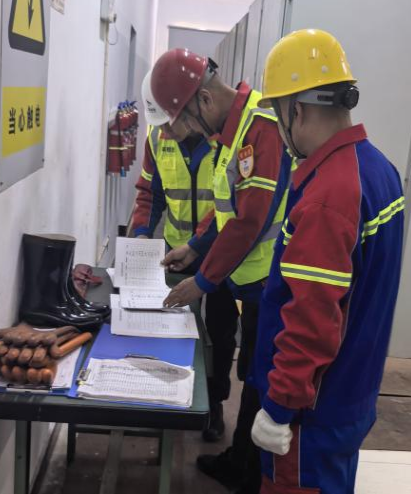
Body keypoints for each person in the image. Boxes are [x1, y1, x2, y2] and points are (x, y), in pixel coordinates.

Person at [248, 29, 405, 494]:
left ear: (295, 110)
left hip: (309, 417)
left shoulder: (328, 195)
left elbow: (312, 321)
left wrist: (278, 409)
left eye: (278, 114)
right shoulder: (379, 170)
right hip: (350, 396)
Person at [151, 49, 292, 494]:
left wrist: (202, 281)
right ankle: (240, 460)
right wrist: (194, 247)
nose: (189, 132)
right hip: (249, 281)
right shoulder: (235, 131)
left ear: (205, 100)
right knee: (252, 372)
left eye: (187, 122)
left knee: (260, 375)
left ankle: (249, 475)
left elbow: (249, 221)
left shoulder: (260, 128)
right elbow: (227, 205)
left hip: (269, 283)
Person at [131, 71, 239, 442]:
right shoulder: (156, 139)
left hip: (221, 252)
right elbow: (149, 193)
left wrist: (200, 244)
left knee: (221, 333)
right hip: (178, 255)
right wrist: (141, 236)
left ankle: (215, 402)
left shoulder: (224, 138)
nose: (163, 132)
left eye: (168, 123)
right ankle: (169, 391)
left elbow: (233, 204)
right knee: (174, 327)